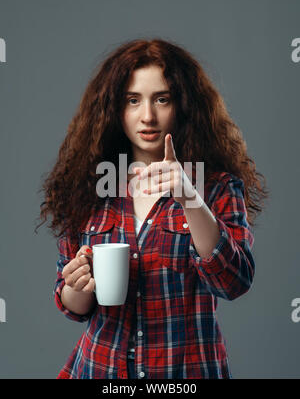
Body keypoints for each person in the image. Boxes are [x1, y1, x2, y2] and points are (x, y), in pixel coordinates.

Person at [36, 38, 269, 379]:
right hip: (100, 371)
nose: (147, 116)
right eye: (133, 101)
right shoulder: (90, 186)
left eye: (162, 99)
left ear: (183, 105)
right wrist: (76, 284)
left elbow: (233, 282)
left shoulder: (215, 186)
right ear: (115, 109)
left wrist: (189, 197)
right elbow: (73, 307)